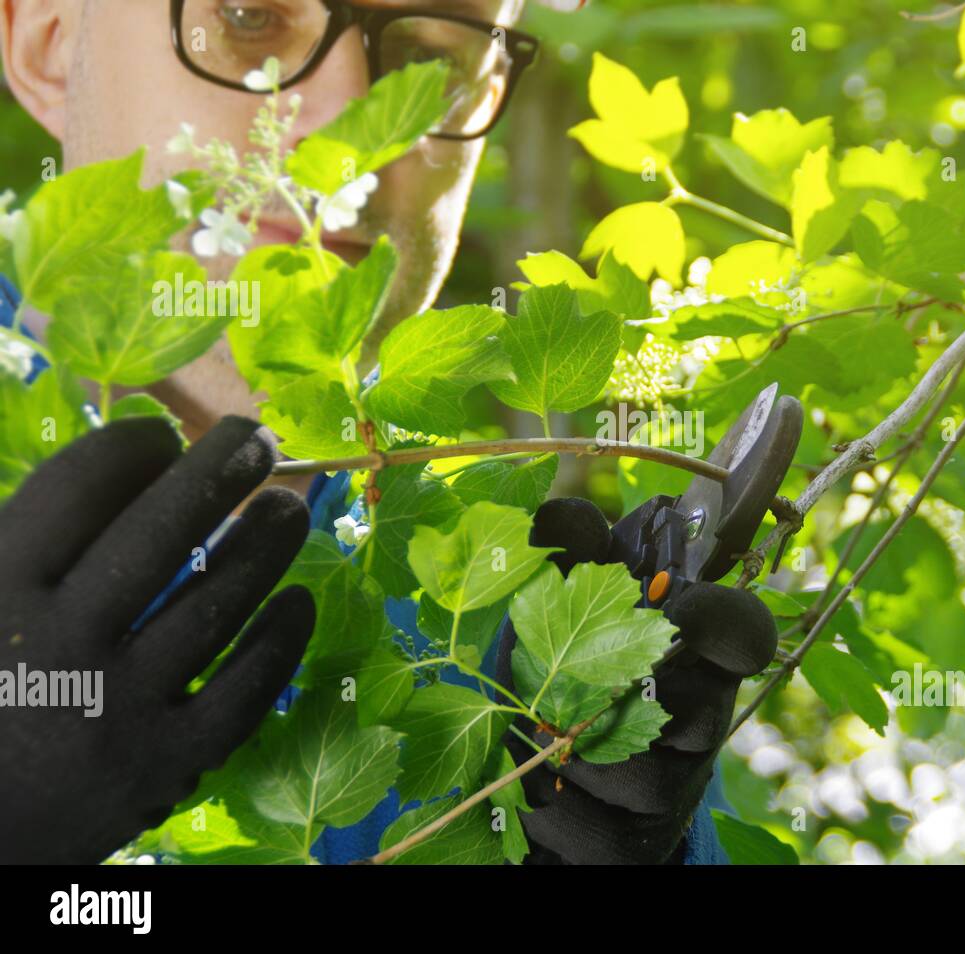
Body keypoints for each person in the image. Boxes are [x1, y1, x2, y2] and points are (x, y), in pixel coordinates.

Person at [0, 0, 778, 864]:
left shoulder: (503, 646)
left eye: (432, 62)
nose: (357, 131)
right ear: (48, 47)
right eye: (249, 17)